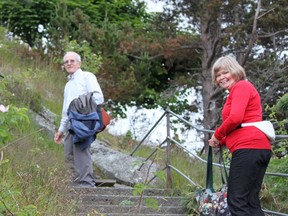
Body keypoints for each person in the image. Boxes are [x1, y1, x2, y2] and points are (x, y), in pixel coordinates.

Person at [208, 55, 272, 216]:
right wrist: (221, 140)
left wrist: (217, 135)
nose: (221, 78)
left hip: (249, 148)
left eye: (224, 73)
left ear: (235, 71)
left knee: (236, 200)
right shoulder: (238, 90)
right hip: (256, 147)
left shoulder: (241, 86)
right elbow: (240, 124)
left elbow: (236, 118)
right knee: (250, 200)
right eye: (217, 75)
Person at [54, 51, 104, 188]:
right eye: (66, 62)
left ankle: (86, 184)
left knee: (81, 151)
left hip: (84, 120)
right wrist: (61, 130)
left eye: (72, 61)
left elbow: (99, 97)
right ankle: (73, 185)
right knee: (68, 154)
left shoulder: (87, 76)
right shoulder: (68, 85)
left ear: (79, 63)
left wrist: (80, 104)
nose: (69, 63)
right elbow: (65, 110)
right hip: (71, 122)